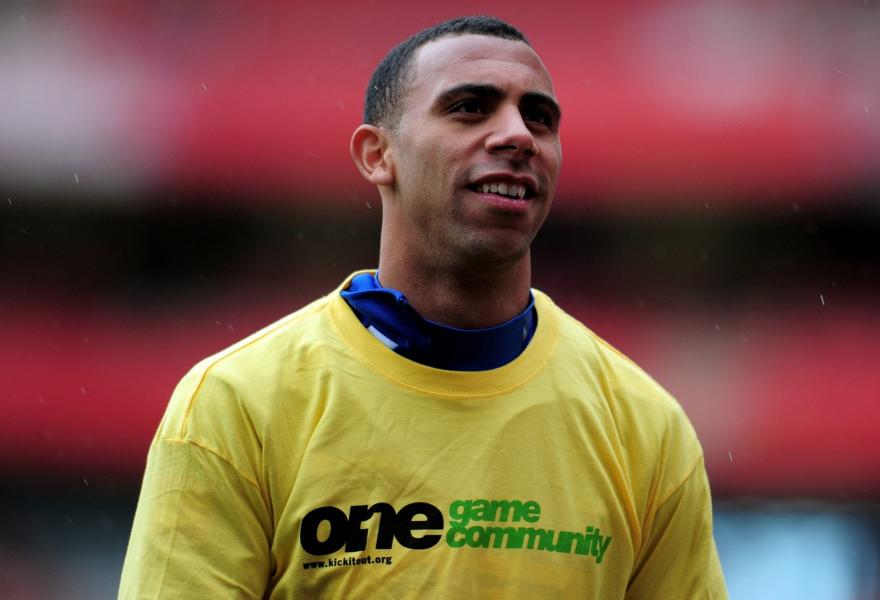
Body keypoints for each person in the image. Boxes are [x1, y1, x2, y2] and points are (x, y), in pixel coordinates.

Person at [119, 15, 727, 599]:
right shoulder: (235, 405)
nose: (518, 135)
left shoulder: (646, 425)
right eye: (470, 107)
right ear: (377, 156)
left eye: (539, 118)